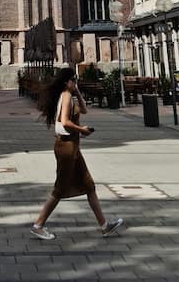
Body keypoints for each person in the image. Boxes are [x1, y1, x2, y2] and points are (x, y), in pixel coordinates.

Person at [29, 68, 123, 241]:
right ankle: (38, 225)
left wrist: (77, 90)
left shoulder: (69, 95)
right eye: (74, 79)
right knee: (59, 189)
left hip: (72, 146)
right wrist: (82, 130)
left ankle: (104, 226)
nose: (76, 82)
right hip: (66, 147)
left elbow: (84, 110)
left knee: (89, 185)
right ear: (67, 81)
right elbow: (64, 121)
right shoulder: (65, 96)